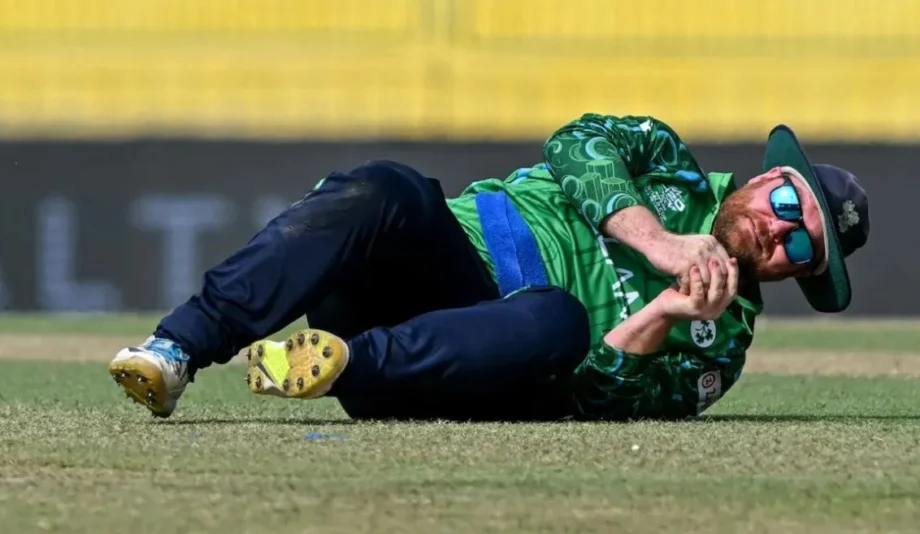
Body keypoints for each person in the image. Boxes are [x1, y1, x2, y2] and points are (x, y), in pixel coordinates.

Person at [108, 113, 870, 422]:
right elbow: (576, 144)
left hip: (449, 365)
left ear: (795, 275)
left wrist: (662, 312)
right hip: (428, 267)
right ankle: (175, 350)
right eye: (786, 200)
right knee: (389, 187)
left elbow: (592, 403)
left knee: (558, 319)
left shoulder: (718, 346)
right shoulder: (665, 160)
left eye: (800, 245)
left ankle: (337, 364)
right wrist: (656, 241)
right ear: (764, 177)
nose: (778, 229)